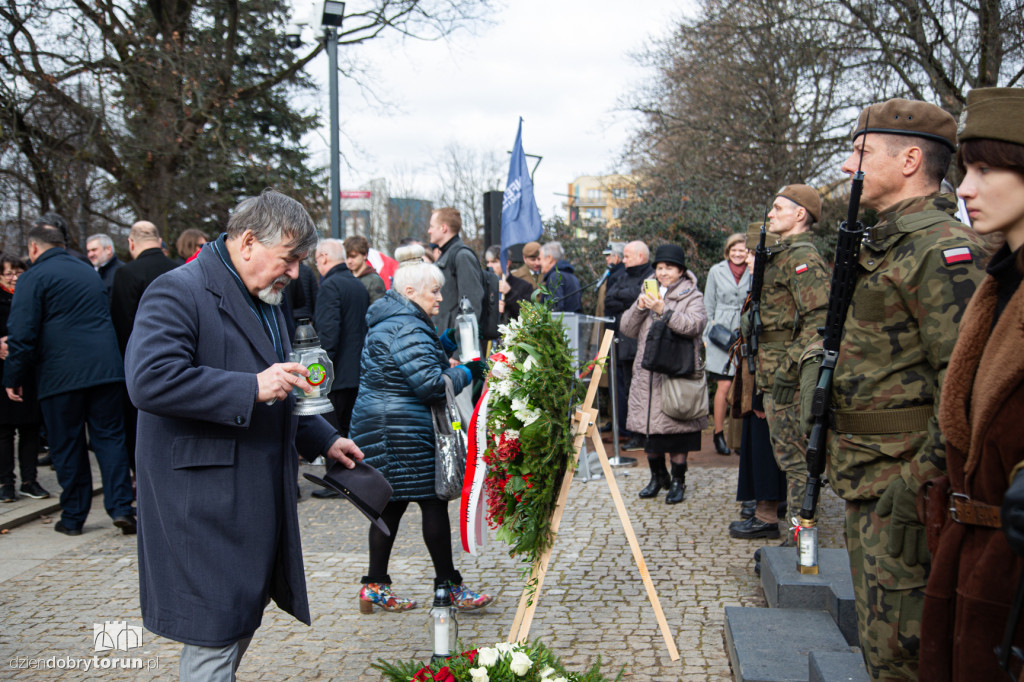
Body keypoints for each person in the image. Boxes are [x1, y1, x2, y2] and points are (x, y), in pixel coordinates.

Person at [124, 189, 363, 680]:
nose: (297, 272)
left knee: (235, 629)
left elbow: (283, 389)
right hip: (201, 506)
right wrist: (250, 386)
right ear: (249, 242)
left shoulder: (267, 295)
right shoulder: (178, 289)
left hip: (251, 501)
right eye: (290, 259)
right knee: (214, 638)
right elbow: (149, 379)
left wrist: (322, 437)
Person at [821, 99, 987, 680]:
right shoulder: (890, 243)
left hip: (908, 488)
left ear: (911, 158)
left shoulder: (942, 250)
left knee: (909, 657)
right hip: (874, 478)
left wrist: (921, 484)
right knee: (882, 650)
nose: (848, 167)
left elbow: (964, 384)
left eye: (862, 153)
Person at [919, 87, 1024, 682]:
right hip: (970, 564)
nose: (964, 188)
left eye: (987, 169)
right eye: (966, 170)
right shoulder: (999, 282)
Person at [350, 243, 492, 613]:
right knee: (431, 502)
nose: (441, 297)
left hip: (385, 426)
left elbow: (413, 361)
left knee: (391, 506)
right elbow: (429, 384)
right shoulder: (407, 326)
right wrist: (467, 371)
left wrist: (442, 342)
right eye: (435, 291)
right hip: (401, 430)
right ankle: (449, 588)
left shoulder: (399, 321)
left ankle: (375, 586)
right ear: (409, 292)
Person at [3, 219, 135, 536]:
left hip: (60, 375)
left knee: (67, 444)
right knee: (110, 439)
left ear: (34, 248)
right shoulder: (87, 272)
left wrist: (13, 376)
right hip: (105, 370)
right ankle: (121, 507)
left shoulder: (33, 277)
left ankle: (74, 516)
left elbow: (22, 333)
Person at [737, 184, 829, 541]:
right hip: (774, 375)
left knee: (796, 463)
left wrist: (790, 369)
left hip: (787, 378)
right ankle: (795, 541)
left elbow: (818, 322)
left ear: (800, 214)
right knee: (787, 459)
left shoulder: (801, 258)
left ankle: (799, 543)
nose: (770, 214)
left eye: (778, 208)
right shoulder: (781, 254)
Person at [620, 244, 707, 504]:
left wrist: (663, 311)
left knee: (677, 431)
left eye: (669, 267)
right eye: (659, 267)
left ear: (680, 270)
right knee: (649, 430)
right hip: (647, 374)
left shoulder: (692, 295)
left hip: (676, 373)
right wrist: (639, 306)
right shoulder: (648, 290)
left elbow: (695, 325)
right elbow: (626, 327)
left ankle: (678, 480)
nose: (663, 272)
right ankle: (658, 477)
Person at [110, 220, 178, 472]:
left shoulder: (126, 273)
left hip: (140, 365)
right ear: (160, 241)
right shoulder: (179, 268)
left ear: (131, 243)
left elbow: (121, 324)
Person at [0, 254, 48, 503]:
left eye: (18, 272)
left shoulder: (31, 296)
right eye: (8, 273)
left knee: (30, 428)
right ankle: (6, 481)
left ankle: (30, 479)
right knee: (4, 431)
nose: (14, 277)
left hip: (28, 370)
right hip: (3, 372)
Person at [313, 238, 369, 437]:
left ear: (325, 258)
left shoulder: (330, 287)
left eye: (317, 261)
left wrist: (318, 373)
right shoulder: (358, 285)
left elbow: (328, 335)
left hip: (336, 377)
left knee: (334, 439)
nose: (317, 266)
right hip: (358, 374)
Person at [702, 233, 750, 456]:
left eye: (742, 249)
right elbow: (707, 304)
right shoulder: (716, 270)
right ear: (728, 250)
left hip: (746, 332)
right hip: (720, 335)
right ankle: (719, 434)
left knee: (745, 386)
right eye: (734, 249)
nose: (738, 253)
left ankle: (739, 437)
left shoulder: (754, 269)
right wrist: (705, 335)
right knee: (723, 387)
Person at [606, 240, 654, 451]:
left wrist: (630, 298)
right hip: (622, 342)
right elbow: (609, 301)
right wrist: (632, 299)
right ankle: (631, 431)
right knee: (626, 389)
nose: (622, 260)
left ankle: (644, 433)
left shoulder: (651, 276)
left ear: (640, 257)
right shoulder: (622, 276)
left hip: (642, 342)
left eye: (626, 256)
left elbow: (645, 298)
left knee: (642, 390)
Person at [428, 207, 485, 333]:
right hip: (446, 338)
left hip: (457, 345)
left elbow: (471, 304)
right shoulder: (449, 255)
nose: (429, 231)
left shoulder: (462, 256)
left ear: (443, 228)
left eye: (432, 226)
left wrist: (460, 341)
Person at [484, 245, 532, 323]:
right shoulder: (484, 284)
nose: (489, 265)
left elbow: (527, 315)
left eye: (494, 262)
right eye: (488, 262)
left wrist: (510, 293)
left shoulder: (524, 286)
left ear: (507, 263)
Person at [537, 241, 582, 313]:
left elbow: (554, 307)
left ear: (549, 258)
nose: (538, 263)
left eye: (540, 259)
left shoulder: (555, 276)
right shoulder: (571, 276)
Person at [343, 235, 386, 304]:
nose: (349, 261)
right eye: (347, 257)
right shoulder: (344, 277)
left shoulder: (374, 281)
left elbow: (378, 308)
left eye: (353, 256)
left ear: (365, 255)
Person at [86, 233, 122, 299]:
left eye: (94, 250)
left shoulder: (121, 272)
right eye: (88, 251)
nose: (90, 254)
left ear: (108, 249)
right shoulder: (88, 271)